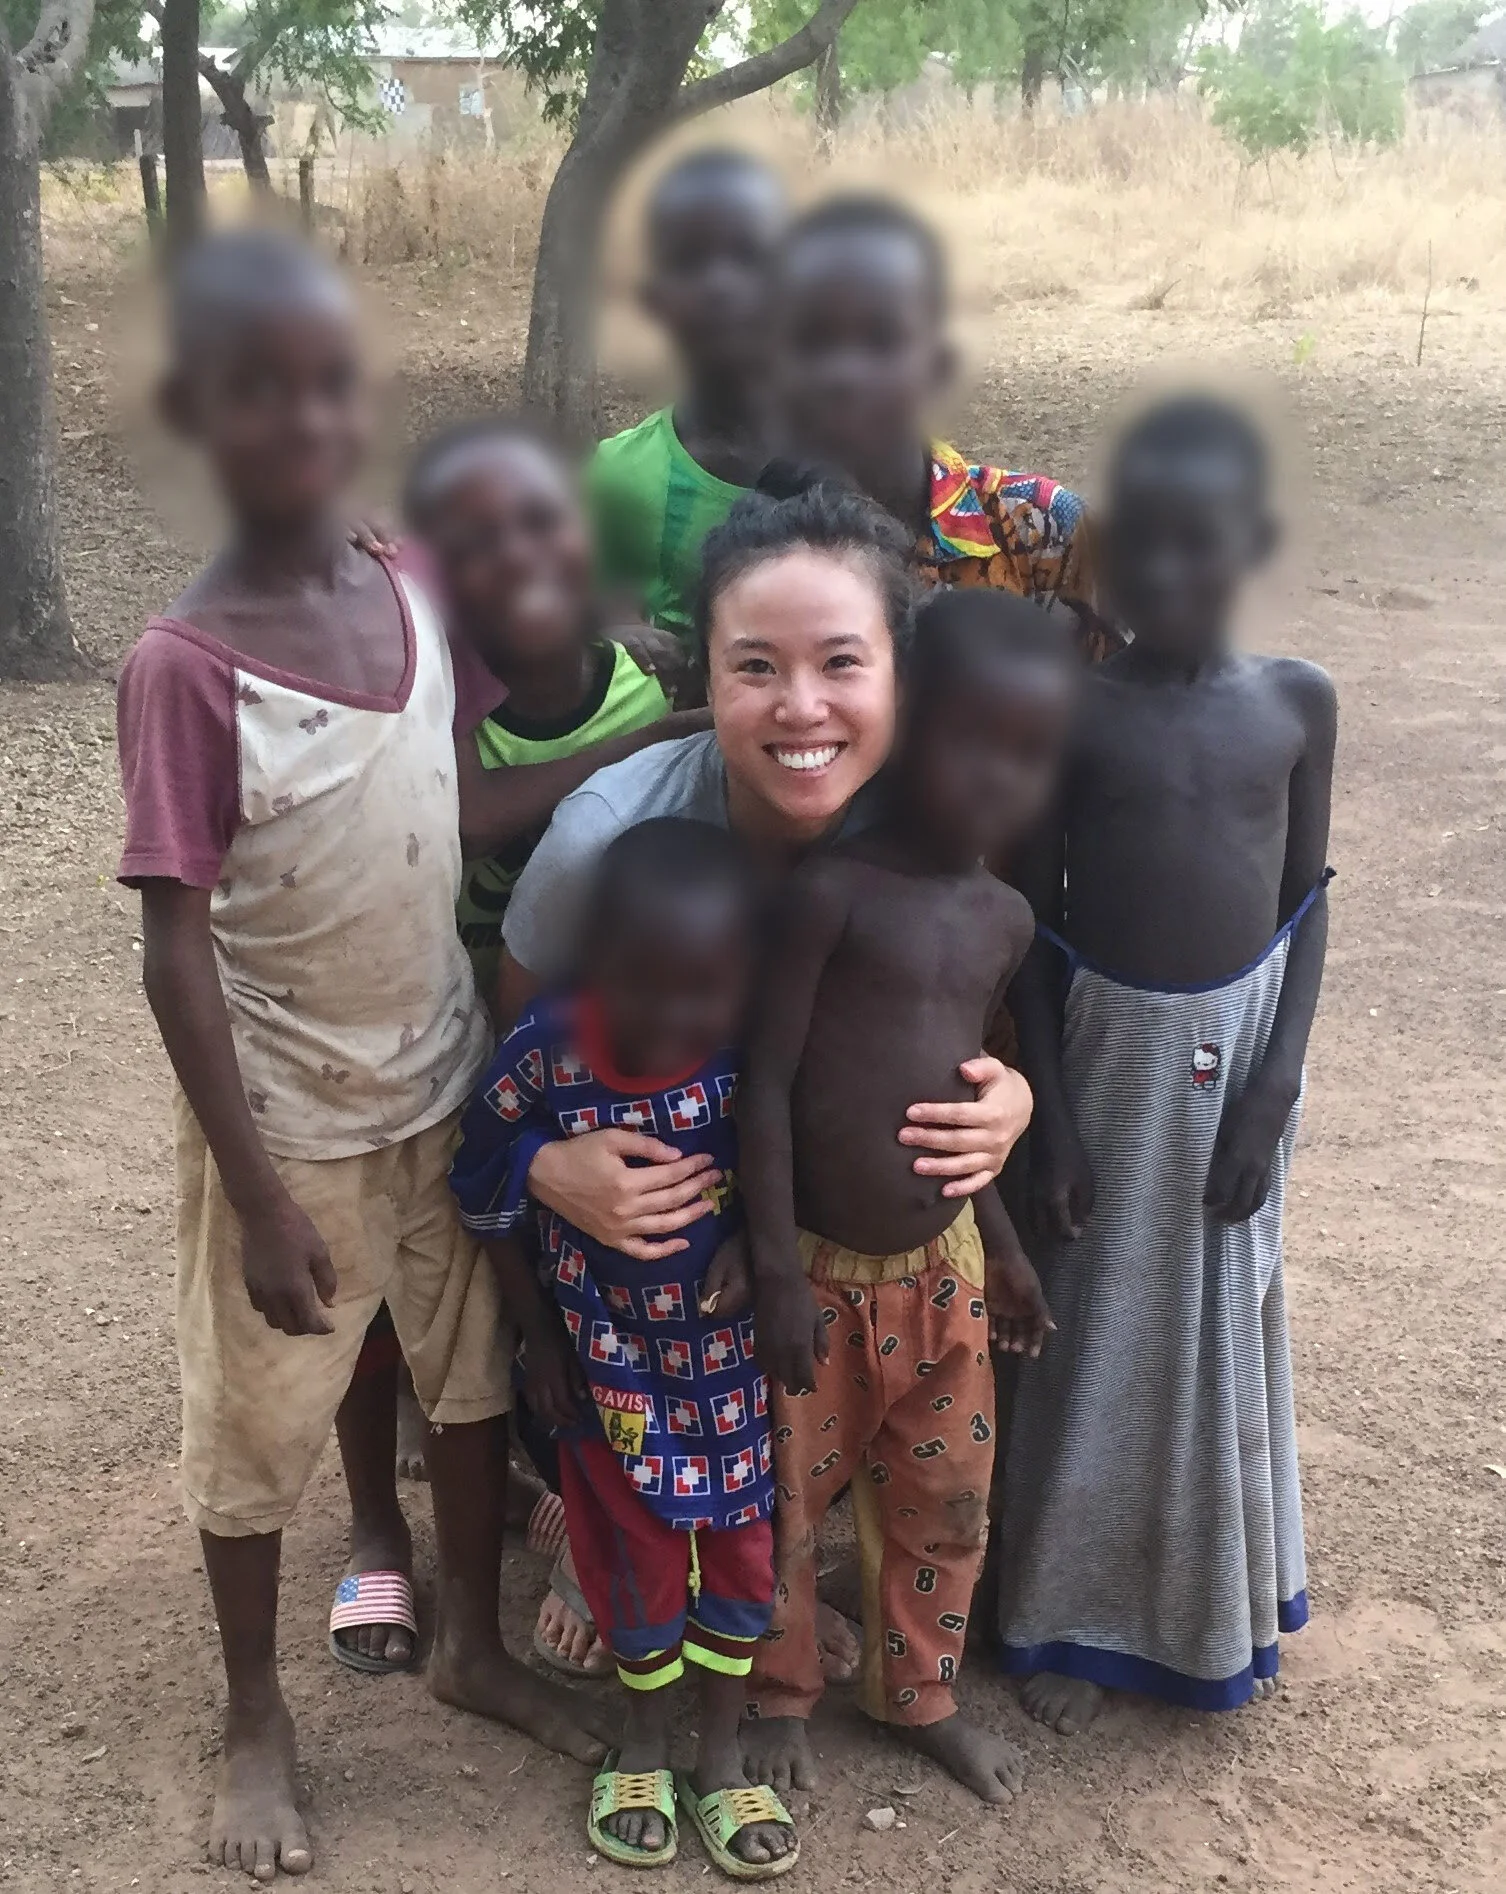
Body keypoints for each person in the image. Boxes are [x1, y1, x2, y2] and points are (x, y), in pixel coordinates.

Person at [116, 227, 612, 1880]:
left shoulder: (405, 583)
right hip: (298, 1126)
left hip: (446, 1093)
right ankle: (256, 1710)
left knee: (469, 1388)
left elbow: (452, 805)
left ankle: (469, 1636)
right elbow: (174, 943)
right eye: (263, 389)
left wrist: (663, 739)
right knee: (256, 1425)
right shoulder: (187, 669)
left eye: (336, 382)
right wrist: (254, 1193)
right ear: (197, 409)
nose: (309, 417)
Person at [491, 479, 1036, 1682]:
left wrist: (1013, 1102)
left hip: (814, 1185)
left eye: (843, 661)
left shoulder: (942, 824)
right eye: (755, 667)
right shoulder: (610, 839)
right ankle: (601, 1511)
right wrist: (547, 1167)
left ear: (903, 675)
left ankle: (801, 1534)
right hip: (659, 1182)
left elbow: (973, 1011)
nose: (801, 707)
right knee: (658, 1239)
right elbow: (510, 1053)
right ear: (705, 677)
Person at [332, 415, 715, 1679]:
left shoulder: (639, 670)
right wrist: (643, 745)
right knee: (399, 1286)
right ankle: (378, 1527)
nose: (518, 555)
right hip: (437, 1029)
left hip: (564, 1038)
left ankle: (560, 1474)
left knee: (560, 1271)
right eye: (475, 539)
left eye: (540, 518)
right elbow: (467, 818)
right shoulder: (439, 675)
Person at [998, 394, 1337, 1731]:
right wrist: (1053, 1123)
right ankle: (1061, 1617)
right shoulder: (1071, 713)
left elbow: (1308, 903)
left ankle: (1204, 1605)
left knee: (1212, 1324)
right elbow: (1028, 922)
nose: (1169, 580)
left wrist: (1272, 1087)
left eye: (1201, 549)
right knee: (1085, 1343)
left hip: (1240, 1062)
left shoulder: (1296, 703)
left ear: (1250, 544)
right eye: (1142, 551)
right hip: (1102, 1065)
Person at [736, 588, 1074, 1805]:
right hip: (817, 1274)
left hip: (945, 1276)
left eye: (1031, 754)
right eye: (972, 737)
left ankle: (919, 1692)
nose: (1000, 776)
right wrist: (771, 1262)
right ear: (909, 723)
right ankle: (779, 1695)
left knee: (945, 1500)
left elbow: (958, 1110)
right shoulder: (835, 891)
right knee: (785, 1499)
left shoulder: (1004, 919)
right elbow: (765, 1083)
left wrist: (1008, 1243)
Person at [451, 819, 799, 1877]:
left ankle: (722, 1748)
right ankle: (646, 1739)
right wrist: (539, 1330)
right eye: (646, 984)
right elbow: (478, 1179)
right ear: (597, 962)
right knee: (633, 1556)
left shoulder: (749, 1061)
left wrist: (752, 1235)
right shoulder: (549, 1051)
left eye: (708, 989)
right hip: (608, 1370)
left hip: (731, 1376)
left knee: (742, 1556)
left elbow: (795, 1168)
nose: (677, 1015)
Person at [769, 194, 1116, 657]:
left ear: (938, 364)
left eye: (881, 338)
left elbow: (1128, 705)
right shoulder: (763, 545)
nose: (844, 373)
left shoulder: (1042, 528)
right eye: (812, 341)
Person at [588, 147, 787, 658]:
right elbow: (610, 624)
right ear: (654, 298)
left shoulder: (854, 448)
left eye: (750, 256)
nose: (720, 285)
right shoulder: (622, 476)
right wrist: (621, 636)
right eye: (689, 262)